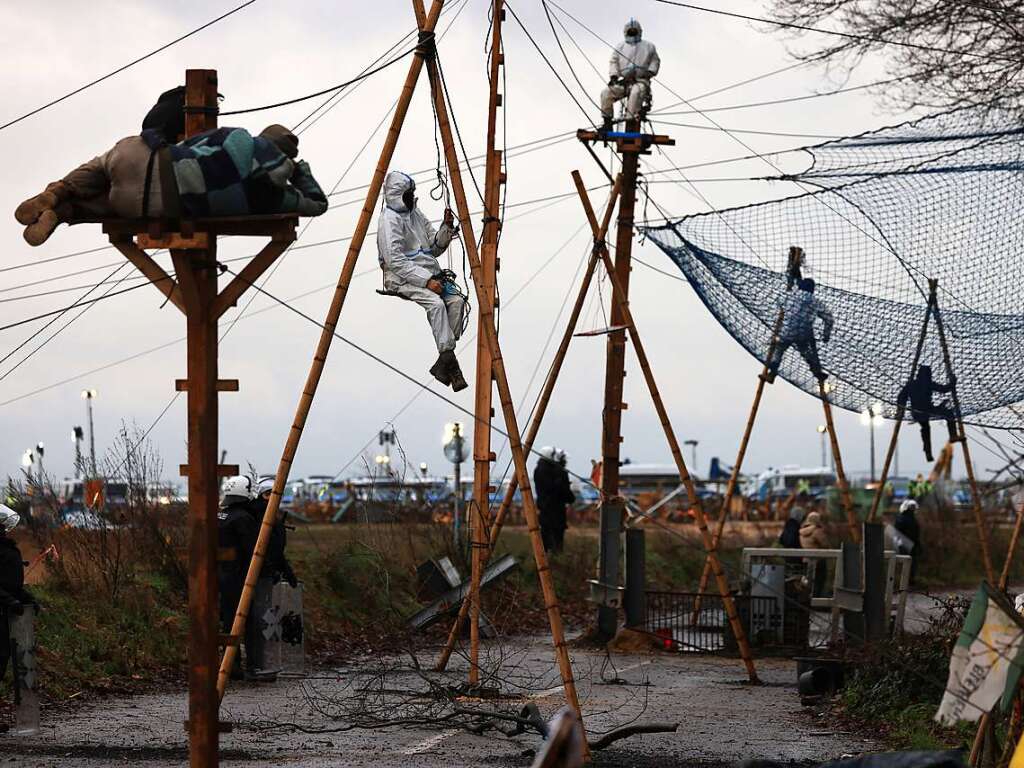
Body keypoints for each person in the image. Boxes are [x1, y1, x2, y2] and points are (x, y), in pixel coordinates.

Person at [15, 123, 327, 246]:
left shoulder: (240, 137)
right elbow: (318, 205)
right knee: (107, 206)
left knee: (98, 168)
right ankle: (64, 214)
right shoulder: (272, 200)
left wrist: (156, 140)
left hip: (149, 160)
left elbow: (194, 141)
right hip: (157, 204)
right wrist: (301, 173)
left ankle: (55, 195)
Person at [376, 170, 467, 391]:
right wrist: (426, 282)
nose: (412, 196)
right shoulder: (389, 221)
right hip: (401, 278)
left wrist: (446, 228)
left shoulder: (415, 213)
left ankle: (445, 359)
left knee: (456, 303)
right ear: (398, 194)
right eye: (409, 193)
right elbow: (395, 261)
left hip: (428, 275)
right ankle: (451, 366)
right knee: (436, 305)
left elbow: (434, 248)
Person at [217, 475, 263, 680]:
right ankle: (253, 665)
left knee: (229, 621)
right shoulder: (243, 519)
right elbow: (252, 549)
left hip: (223, 576)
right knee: (250, 621)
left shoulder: (221, 516)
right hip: (240, 577)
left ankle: (231, 664)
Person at [766, 277, 833, 383]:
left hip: (787, 331)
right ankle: (817, 372)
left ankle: (772, 374)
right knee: (806, 352)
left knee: (778, 349)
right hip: (803, 334)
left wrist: (790, 285)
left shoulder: (790, 296)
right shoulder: (815, 301)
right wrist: (826, 335)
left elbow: (778, 301)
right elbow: (829, 318)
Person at [0, 505, 36, 700]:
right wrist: (10, 600)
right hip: (3, 611)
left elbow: (10, 583)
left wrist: (26, 598)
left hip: (7, 614)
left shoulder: (7, 550)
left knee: (2, 659)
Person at [599, 18, 660, 132]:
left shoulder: (648, 46)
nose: (632, 34)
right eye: (630, 31)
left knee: (636, 93)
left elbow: (655, 61)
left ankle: (630, 122)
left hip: (641, 81)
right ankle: (607, 123)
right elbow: (614, 62)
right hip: (624, 81)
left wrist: (648, 72)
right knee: (606, 93)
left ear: (639, 31)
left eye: (634, 31)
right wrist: (614, 77)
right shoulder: (620, 47)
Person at [897, 364, 959, 462]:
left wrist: (900, 409)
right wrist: (953, 382)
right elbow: (944, 389)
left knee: (926, 427)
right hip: (924, 411)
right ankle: (952, 435)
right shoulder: (927, 383)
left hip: (920, 412)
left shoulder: (912, 384)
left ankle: (929, 451)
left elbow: (901, 397)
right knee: (948, 414)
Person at [249, 478, 298, 588]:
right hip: (258, 576)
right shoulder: (256, 518)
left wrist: (285, 570)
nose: (272, 498)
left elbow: (276, 551)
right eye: (268, 494)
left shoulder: (271, 518)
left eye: (275, 495)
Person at [533, 447, 575, 553]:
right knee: (556, 539)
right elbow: (562, 492)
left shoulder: (539, 469)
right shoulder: (556, 472)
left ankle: (545, 559)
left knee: (545, 537)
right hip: (555, 510)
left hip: (545, 510)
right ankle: (554, 560)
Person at [893, 498, 922, 584]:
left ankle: (906, 581)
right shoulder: (910, 519)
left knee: (907, 564)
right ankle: (908, 581)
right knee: (910, 564)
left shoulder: (902, 518)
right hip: (908, 544)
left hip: (905, 544)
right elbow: (915, 534)